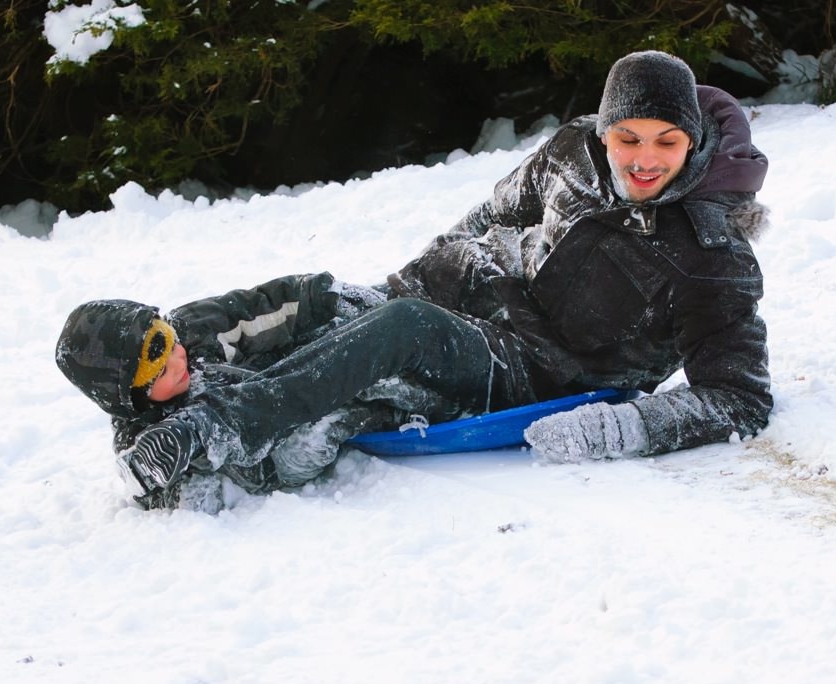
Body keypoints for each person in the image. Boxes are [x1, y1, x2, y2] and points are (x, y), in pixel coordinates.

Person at [110, 49, 773, 497]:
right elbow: (494, 212)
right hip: (471, 291)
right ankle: (163, 370)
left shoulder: (710, 256)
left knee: (402, 329)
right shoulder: (576, 151)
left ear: (691, 142)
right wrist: (425, 269)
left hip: (534, 368)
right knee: (316, 301)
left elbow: (739, 396)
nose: (644, 158)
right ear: (605, 131)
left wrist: (617, 428)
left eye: (665, 140)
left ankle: (217, 427)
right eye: (628, 136)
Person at [55, 273, 456, 512]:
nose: (179, 360)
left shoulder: (192, 332)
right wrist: (159, 481)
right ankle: (395, 402)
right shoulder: (146, 432)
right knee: (314, 432)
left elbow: (261, 308)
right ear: (131, 396)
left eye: (168, 340)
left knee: (413, 290)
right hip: (295, 415)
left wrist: (323, 296)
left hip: (309, 359)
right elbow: (162, 485)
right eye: (158, 370)